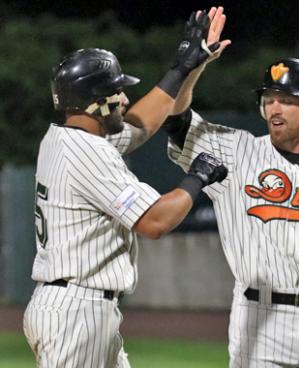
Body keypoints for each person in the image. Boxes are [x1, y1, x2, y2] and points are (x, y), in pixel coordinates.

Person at [22, 7, 231, 368]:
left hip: (78, 306)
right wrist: (197, 176)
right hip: (76, 312)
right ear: (95, 101)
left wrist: (185, 67)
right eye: (117, 92)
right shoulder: (86, 152)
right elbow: (154, 222)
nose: (124, 99)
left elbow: (142, 123)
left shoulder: (66, 138)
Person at [163, 53, 299, 366]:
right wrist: (194, 66)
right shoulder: (237, 151)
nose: (274, 108)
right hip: (258, 316)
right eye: (268, 99)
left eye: (286, 100)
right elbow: (176, 122)